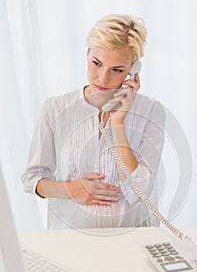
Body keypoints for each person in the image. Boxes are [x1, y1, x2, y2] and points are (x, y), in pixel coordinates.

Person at [21, 14, 165, 229]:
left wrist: (118, 124)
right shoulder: (55, 108)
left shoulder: (152, 111)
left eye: (117, 70)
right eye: (96, 63)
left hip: (133, 240)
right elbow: (32, 179)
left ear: (133, 70)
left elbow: (139, 193)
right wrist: (71, 189)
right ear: (87, 54)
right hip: (70, 241)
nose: (103, 78)